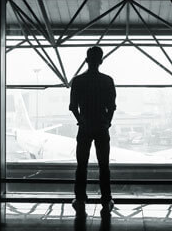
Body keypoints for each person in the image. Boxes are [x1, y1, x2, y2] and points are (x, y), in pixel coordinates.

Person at [69, 46, 116, 216]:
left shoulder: (78, 81)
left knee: (82, 165)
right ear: (101, 61)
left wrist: (81, 121)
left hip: (85, 126)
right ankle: (106, 199)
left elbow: (73, 107)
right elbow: (111, 107)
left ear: (87, 60)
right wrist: (107, 122)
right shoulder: (107, 81)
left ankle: (80, 199)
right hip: (101, 126)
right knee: (104, 165)